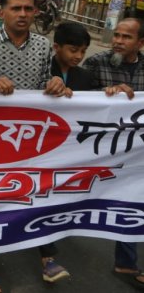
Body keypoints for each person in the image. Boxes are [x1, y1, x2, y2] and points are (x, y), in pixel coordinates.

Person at [0, 0, 70, 293]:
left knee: (39, 194)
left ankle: (48, 258)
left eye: (28, 9)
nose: (23, 14)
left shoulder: (43, 45)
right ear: (2, 13)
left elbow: (46, 83)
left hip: (32, 139)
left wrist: (55, 84)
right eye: (16, 9)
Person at [82, 18, 144, 288]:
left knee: (131, 198)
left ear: (140, 43)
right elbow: (77, 99)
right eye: (116, 35)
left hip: (136, 153)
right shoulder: (96, 64)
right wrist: (104, 95)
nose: (118, 40)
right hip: (100, 150)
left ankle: (126, 263)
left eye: (126, 37)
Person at [52, 21, 93, 91]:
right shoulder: (44, 71)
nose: (79, 56)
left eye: (83, 51)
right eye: (73, 50)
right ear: (56, 47)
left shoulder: (85, 76)